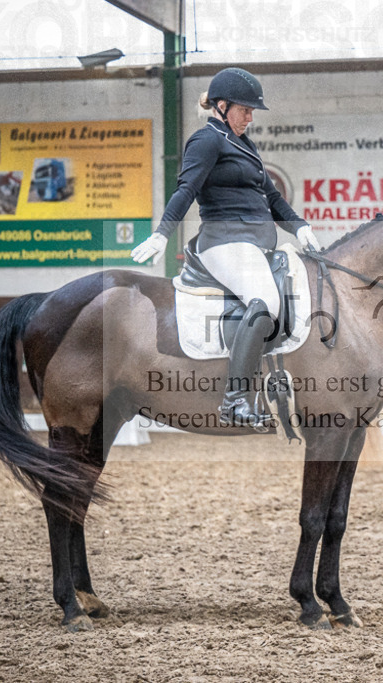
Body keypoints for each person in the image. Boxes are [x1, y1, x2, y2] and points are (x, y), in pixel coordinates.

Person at [131, 67, 321, 430]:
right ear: (222, 106)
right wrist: (162, 234)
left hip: (256, 243)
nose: (250, 117)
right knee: (265, 303)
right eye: (245, 110)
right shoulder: (206, 140)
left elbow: (272, 197)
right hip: (224, 241)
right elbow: (186, 190)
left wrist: (300, 227)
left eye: (252, 111)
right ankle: (235, 401)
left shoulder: (244, 144)